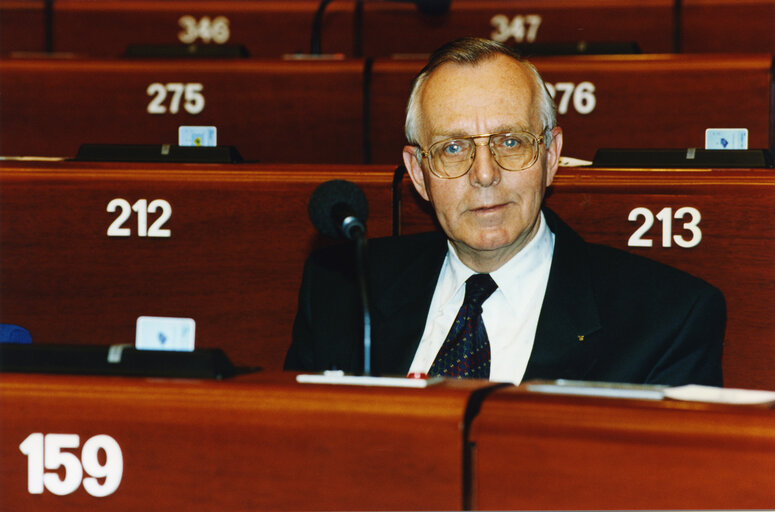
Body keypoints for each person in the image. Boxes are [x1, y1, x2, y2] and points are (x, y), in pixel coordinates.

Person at [284, 37, 724, 385]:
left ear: (551, 156)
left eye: (510, 142)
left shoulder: (666, 321)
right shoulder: (340, 294)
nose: (484, 174)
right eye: (452, 148)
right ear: (418, 173)